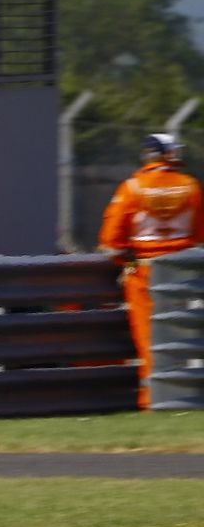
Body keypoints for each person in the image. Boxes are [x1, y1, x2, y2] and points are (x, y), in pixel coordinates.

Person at [98, 133, 204, 407]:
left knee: (150, 341)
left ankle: (153, 402)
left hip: (145, 274)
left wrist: (129, 264)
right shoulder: (191, 186)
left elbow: (111, 241)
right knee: (186, 339)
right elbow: (200, 235)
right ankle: (186, 398)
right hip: (185, 275)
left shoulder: (132, 188)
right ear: (169, 154)